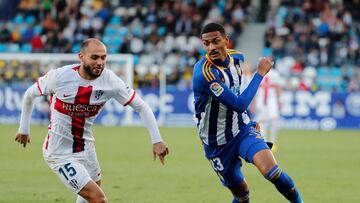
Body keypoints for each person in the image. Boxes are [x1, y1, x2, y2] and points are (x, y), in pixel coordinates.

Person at [15, 38, 169, 203]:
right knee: (98, 199)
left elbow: (142, 107)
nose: (100, 62)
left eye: (103, 58)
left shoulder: (111, 81)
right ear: (81, 57)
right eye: (94, 57)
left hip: (86, 147)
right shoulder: (59, 77)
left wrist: (157, 140)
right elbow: (29, 95)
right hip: (59, 152)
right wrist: (24, 129)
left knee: (89, 198)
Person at [192, 22, 302, 203]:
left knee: (272, 171)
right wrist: (260, 73)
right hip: (216, 142)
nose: (211, 47)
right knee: (242, 195)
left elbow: (237, 100)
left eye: (215, 41)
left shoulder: (238, 58)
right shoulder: (204, 74)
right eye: (206, 43)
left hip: (241, 130)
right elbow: (239, 104)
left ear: (226, 41)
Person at [252, 67, 282, 151]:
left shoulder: (274, 73)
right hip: (260, 100)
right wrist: (253, 104)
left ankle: (273, 142)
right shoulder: (256, 73)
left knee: (274, 121)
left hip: (272, 100)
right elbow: (253, 89)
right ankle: (263, 142)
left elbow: (278, 87)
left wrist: (280, 100)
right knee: (261, 122)